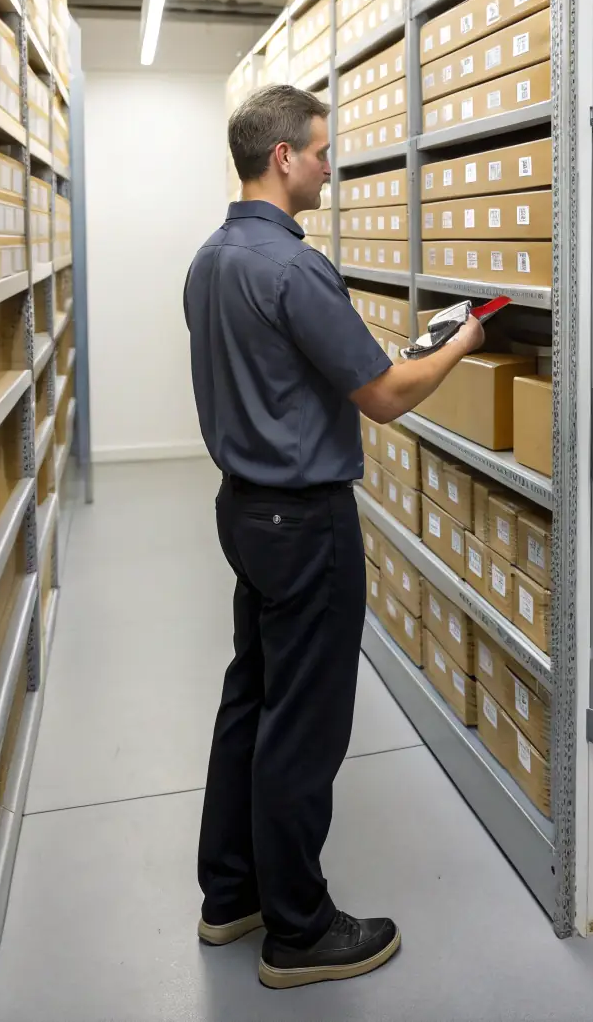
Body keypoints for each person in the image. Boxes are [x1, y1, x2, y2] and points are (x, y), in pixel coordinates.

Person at [183, 85, 483, 990]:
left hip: (244, 510)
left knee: (253, 698)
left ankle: (231, 892)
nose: (328, 165)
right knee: (303, 727)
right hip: (304, 521)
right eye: (320, 152)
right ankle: (300, 929)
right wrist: (460, 342)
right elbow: (385, 396)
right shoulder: (293, 268)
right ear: (283, 158)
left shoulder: (209, 259)